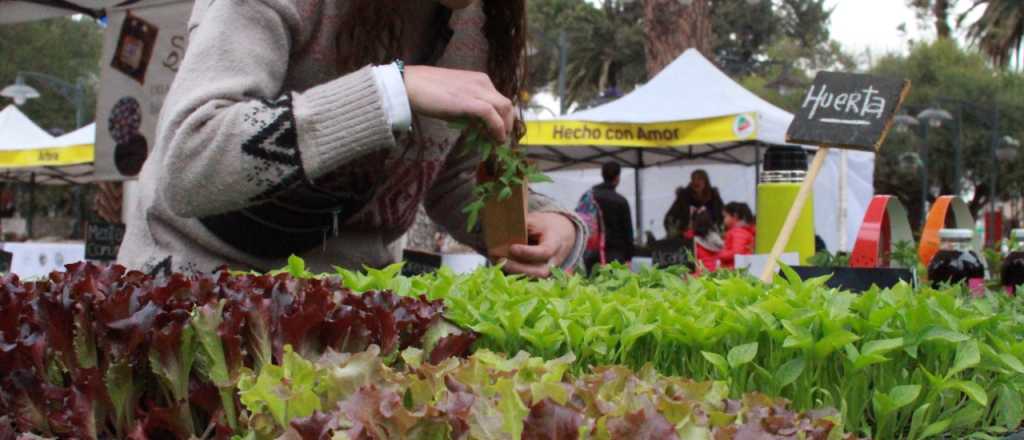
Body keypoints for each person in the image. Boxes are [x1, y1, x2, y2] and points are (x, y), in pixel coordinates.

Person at [117, 0, 585, 277]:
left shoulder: (478, 25)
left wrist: (542, 223)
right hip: (196, 295)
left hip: (352, 324)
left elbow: (452, 175)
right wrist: (387, 92)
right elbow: (189, 161)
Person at [580, 162, 634, 271]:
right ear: (617, 177)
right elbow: (628, 232)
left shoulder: (589, 196)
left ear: (602, 174)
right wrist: (629, 257)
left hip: (591, 253)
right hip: (615, 255)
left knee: (590, 285)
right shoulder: (621, 201)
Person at [664, 169, 724, 238]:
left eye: (699, 179)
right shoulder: (684, 196)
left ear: (706, 181)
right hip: (686, 235)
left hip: (710, 235)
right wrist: (677, 231)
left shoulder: (713, 195)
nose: (696, 181)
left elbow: (722, 215)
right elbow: (670, 217)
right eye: (693, 179)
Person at [719, 202, 755, 270]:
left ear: (735, 216)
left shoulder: (738, 232)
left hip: (733, 271)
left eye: (725, 216)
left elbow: (737, 253)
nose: (724, 220)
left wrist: (721, 254)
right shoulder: (743, 231)